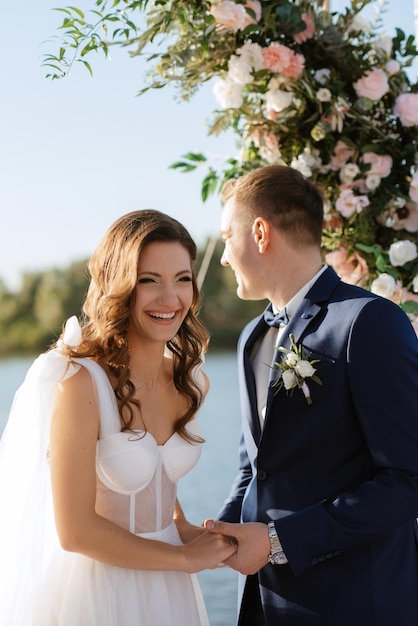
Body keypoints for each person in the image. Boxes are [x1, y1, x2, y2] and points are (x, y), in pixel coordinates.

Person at [0, 209, 237, 626]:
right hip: (99, 594)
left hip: (170, 592)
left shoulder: (188, 382)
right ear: (120, 286)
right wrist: (184, 557)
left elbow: (154, 489)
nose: (171, 298)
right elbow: (75, 531)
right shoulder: (79, 383)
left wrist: (189, 532)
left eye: (182, 278)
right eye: (150, 281)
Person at [204, 165, 418, 626]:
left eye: (226, 237)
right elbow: (254, 469)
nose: (223, 256)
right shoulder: (250, 339)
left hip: (356, 605)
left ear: (260, 233)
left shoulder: (369, 322)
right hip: (262, 607)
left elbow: (409, 479)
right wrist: (220, 532)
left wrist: (280, 540)